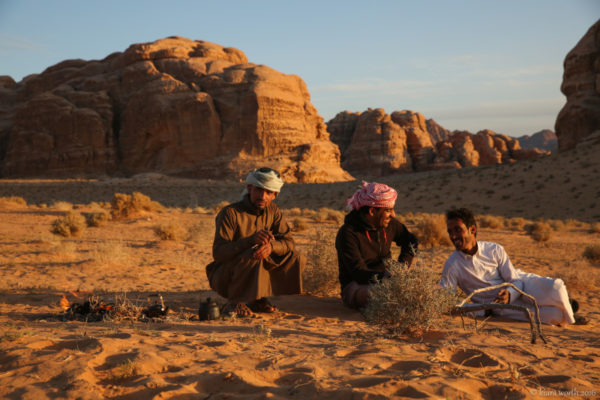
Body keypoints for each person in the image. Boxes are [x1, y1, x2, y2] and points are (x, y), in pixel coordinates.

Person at [441, 207, 582, 325]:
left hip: (521, 286)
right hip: (499, 307)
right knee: (554, 316)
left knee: (556, 286)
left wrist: (510, 293)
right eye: (450, 232)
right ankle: (567, 309)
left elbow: (516, 280)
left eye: (457, 230)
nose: (453, 236)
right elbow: (447, 303)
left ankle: (568, 312)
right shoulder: (452, 265)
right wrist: (481, 310)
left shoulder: (494, 249)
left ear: (472, 229)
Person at [206, 167, 304, 317]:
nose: (262, 196)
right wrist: (249, 241)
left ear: (275, 195)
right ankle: (236, 301)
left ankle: (256, 299)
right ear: (250, 188)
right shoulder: (230, 213)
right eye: (259, 190)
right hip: (225, 273)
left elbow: (289, 242)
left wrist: (271, 247)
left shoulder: (273, 211)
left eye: (268, 192)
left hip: (251, 266)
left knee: (294, 257)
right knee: (255, 253)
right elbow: (218, 253)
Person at [335, 181, 418, 309]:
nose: (393, 215)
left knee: (418, 291)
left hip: (386, 280)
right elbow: (358, 273)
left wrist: (401, 268)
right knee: (385, 295)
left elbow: (411, 241)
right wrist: (387, 278)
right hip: (355, 285)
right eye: (388, 210)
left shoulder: (390, 224)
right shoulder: (348, 233)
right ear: (373, 211)